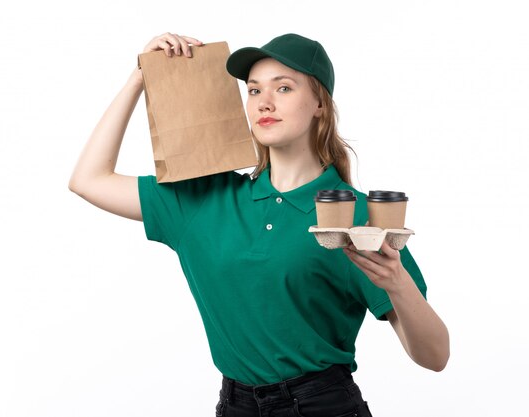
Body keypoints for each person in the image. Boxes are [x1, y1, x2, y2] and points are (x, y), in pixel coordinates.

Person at [69, 32, 450, 417]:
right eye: (253, 91)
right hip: (235, 407)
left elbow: (435, 356)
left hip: (322, 406)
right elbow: (88, 179)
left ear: (320, 103)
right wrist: (140, 76)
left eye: (283, 88)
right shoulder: (205, 198)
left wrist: (397, 283)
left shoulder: (357, 217)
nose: (264, 102)